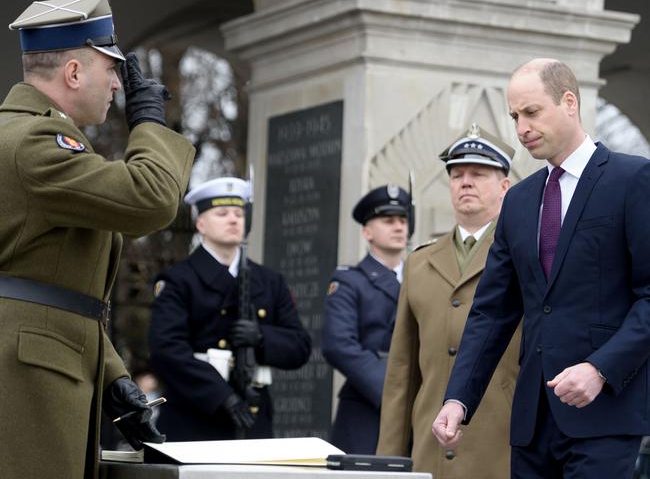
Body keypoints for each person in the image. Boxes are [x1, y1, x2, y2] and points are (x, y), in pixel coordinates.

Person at [0, 0, 196, 478]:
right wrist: (149, 123)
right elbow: (150, 199)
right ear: (72, 73)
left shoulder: (26, 135)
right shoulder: (35, 142)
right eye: (111, 68)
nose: (117, 83)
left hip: (38, 368)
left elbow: (50, 283)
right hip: (29, 379)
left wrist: (111, 376)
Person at [433, 58, 650, 478]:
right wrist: (458, 398)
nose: (521, 128)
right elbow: (492, 311)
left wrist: (601, 368)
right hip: (532, 423)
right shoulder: (518, 201)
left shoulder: (633, 179)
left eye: (532, 112)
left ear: (569, 102)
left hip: (604, 415)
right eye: (515, 116)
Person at [376, 123, 520, 477]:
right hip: (431, 453)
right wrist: (388, 462)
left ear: (505, 186)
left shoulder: (523, 256)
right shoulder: (419, 263)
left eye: (478, 173)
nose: (465, 182)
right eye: (456, 175)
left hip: (501, 448)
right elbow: (401, 374)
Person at [148, 177, 312, 441]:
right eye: (222, 214)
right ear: (200, 223)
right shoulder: (179, 280)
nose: (234, 220)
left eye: (239, 213)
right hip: (196, 415)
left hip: (253, 416)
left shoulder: (269, 281)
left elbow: (300, 346)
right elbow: (167, 350)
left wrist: (261, 337)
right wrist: (222, 396)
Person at [321, 184, 411, 454]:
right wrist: (392, 391)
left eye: (403, 220)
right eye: (388, 220)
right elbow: (339, 344)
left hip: (419, 407)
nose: (398, 227)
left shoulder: (421, 278)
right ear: (367, 231)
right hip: (368, 407)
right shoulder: (349, 281)